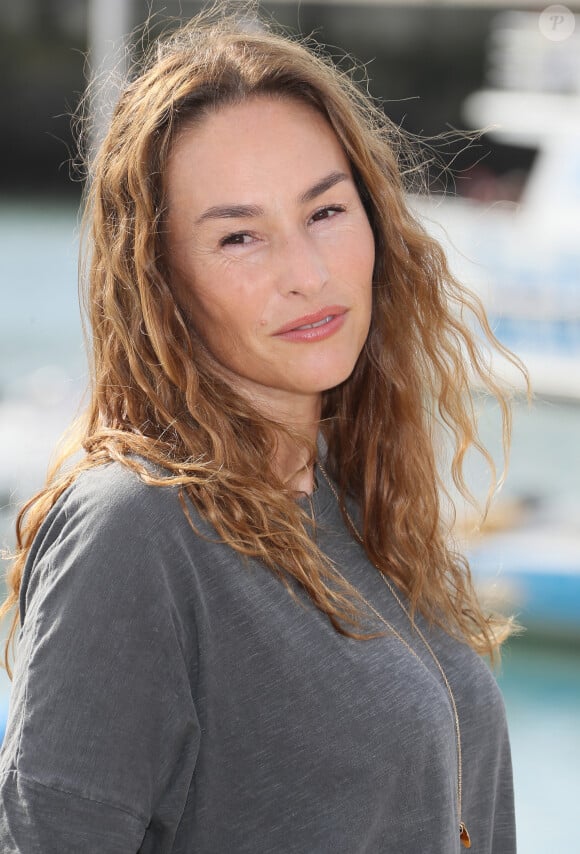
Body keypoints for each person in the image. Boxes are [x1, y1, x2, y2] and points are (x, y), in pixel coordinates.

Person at [0, 6, 525, 853]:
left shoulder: (359, 510)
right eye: (240, 236)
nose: (307, 275)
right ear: (161, 283)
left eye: (325, 212)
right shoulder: (132, 531)